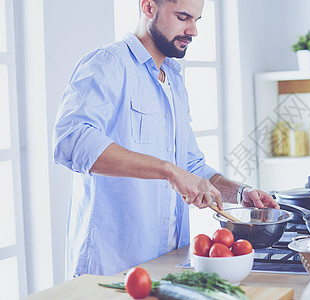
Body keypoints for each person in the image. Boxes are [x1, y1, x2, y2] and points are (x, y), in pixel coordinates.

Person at [53, 0, 279, 278]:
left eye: (197, 20)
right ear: (148, 8)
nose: (193, 30)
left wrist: (240, 193)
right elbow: (71, 140)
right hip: (111, 269)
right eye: (183, 17)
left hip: (167, 265)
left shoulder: (173, 79)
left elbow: (190, 165)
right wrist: (168, 171)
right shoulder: (108, 63)